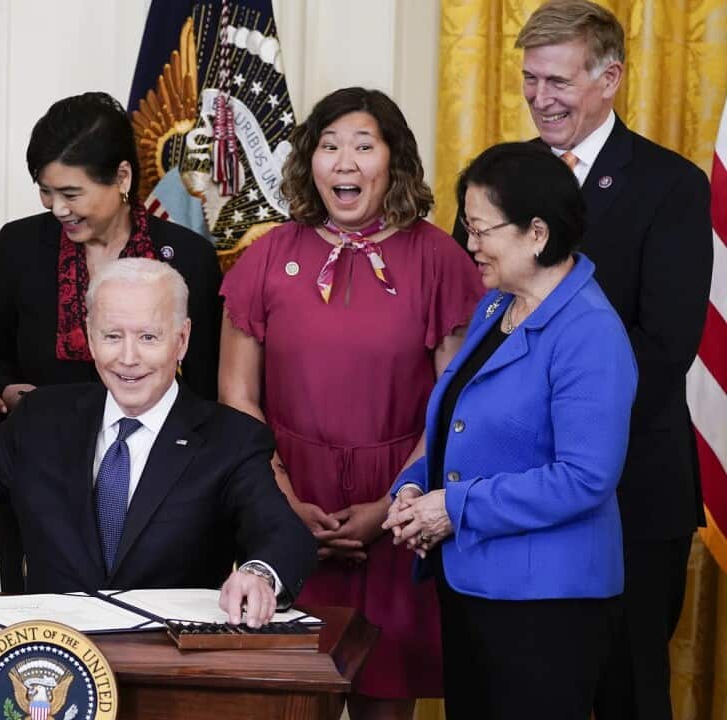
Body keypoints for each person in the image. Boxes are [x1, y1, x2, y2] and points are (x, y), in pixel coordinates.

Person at [445, 4, 712, 716]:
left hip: (630, 494)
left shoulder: (672, 185)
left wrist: (568, 457)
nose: (541, 98)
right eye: (530, 79)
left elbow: (665, 348)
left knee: (629, 696)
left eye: (558, 81)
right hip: (507, 503)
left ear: (610, 78)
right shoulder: (500, 179)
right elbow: (479, 327)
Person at [218, 87, 482, 718]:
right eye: (329, 146)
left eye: (364, 147)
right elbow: (236, 395)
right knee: (288, 701)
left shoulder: (439, 259)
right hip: (284, 501)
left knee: (385, 698)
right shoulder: (268, 255)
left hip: (400, 512)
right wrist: (283, 503)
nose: (344, 162)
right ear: (309, 159)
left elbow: (457, 406)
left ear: (394, 160)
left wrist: (391, 506)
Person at [0, 258, 314, 624]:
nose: (128, 358)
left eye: (148, 337)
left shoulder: (230, 438)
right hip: (51, 667)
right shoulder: (41, 419)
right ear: (90, 338)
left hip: (169, 671)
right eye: (112, 336)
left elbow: (283, 533)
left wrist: (259, 575)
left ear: (181, 340)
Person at [386, 142, 637, 718]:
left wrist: (455, 507)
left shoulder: (590, 332)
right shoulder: (497, 307)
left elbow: (584, 478)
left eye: (481, 230)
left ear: (537, 234)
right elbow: (462, 423)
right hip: (472, 585)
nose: (470, 244)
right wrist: (415, 487)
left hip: (545, 606)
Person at [0, 91, 223, 592]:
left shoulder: (189, 258)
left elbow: (205, 392)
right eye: (46, 192)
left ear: (123, 177)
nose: (57, 208)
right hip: (43, 490)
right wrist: (5, 391)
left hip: (160, 496)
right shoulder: (19, 247)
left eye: (71, 193)